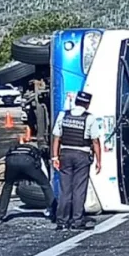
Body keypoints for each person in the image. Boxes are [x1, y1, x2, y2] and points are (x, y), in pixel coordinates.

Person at [51, 91, 102, 231]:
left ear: (76, 102)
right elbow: (95, 141)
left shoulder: (63, 115)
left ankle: (61, 221)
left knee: (65, 189)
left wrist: (54, 157)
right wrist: (99, 161)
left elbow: (56, 137)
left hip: (65, 154)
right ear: (87, 103)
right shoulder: (89, 118)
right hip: (82, 155)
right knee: (79, 190)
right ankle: (77, 221)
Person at [0, 140, 55, 223]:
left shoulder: (14, 148)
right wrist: (43, 179)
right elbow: (42, 169)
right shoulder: (35, 150)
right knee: (45, 185)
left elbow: (7, 160)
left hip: (11, 161)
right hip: (27, 161)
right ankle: (54, 212)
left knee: (7, 186)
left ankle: (0, 215)